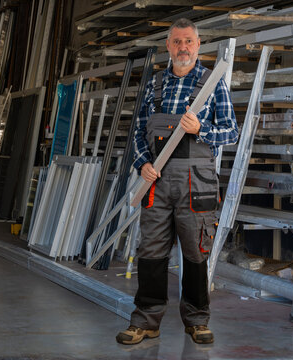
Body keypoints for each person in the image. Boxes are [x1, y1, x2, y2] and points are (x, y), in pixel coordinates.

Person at [116, 18, 239, 345]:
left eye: (188, 41)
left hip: (196, 184)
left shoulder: (213, 84)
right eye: (176, 42)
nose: (183, 47)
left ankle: (197, 321)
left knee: (196, 254)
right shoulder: (155, 85)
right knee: (151, 253)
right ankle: (145, 321)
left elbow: (232, 131)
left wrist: (203, 130)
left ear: (198, 45)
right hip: (157, 183)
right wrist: (143, 164)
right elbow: (139, 135)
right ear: (168, 47)